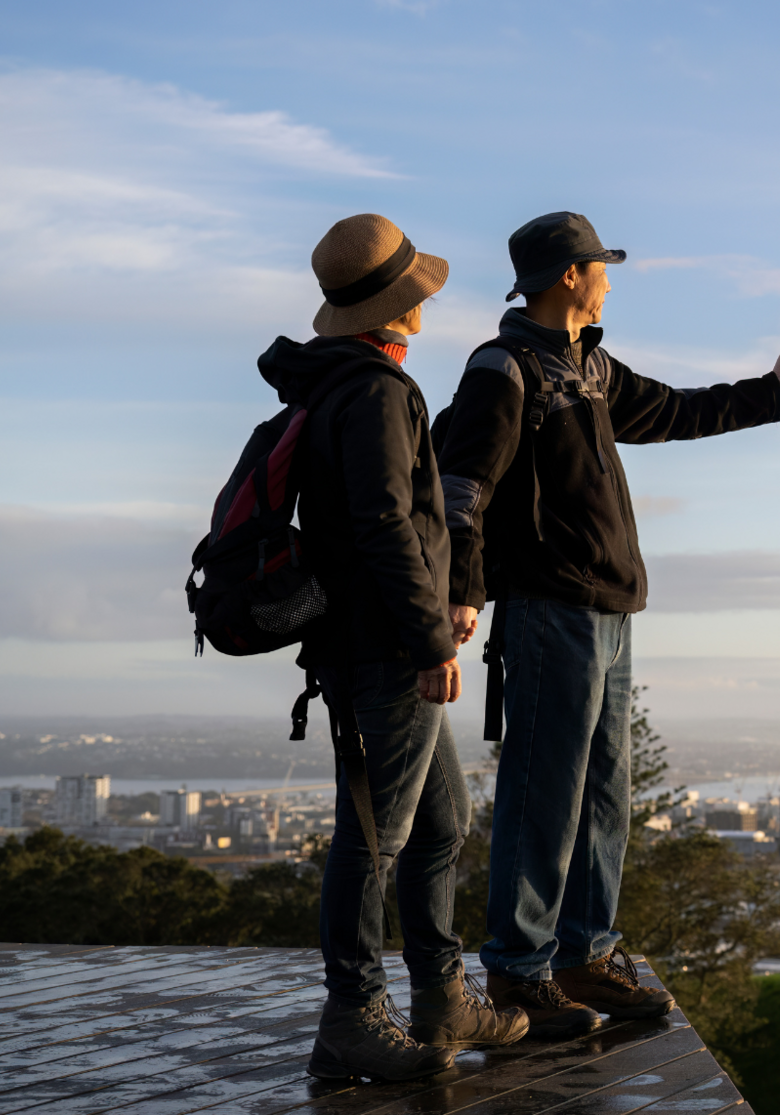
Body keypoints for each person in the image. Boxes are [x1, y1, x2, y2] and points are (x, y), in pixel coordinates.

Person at [438, 211, 780, 1031]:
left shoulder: (589, 365)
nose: (610, 276)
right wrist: (462, 593)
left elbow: (674, 411)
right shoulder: (504, 368)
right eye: (600, 265)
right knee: (544, 791)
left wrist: (773, 386)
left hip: (609, 607)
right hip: (548, 605)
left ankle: (584, 956)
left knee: (603, 795)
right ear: (570, 275)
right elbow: (461, 487)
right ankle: (516, 971)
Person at [260, 213, 528, 1080]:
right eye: (416, 292)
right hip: (384, 646)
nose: (425, 304)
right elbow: (384, 523)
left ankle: (441, 998)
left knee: (438, 824)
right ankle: (354, 1016)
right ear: (396, 304)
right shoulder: (375, 389)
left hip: (368, 638)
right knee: (375, 837)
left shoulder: (336, 381)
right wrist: (428, 635)